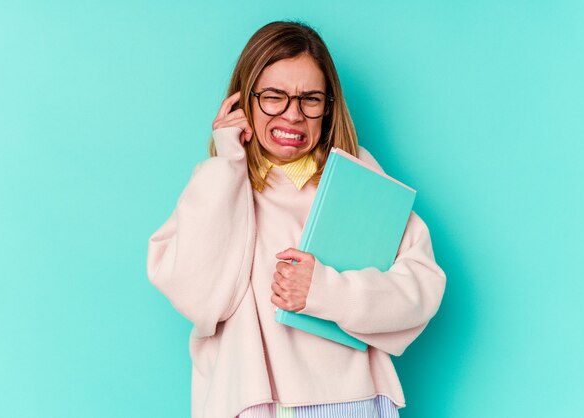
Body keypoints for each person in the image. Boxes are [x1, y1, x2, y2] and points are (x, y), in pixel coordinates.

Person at [147, 20, 446, 418]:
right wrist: (226, 161)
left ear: (328, 107)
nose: (292, 115)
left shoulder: (357, 176)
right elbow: (197, 297)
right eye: (274, 96)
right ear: (244, 100)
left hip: (353, 402)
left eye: (310, 99)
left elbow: (422, 287)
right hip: (253, 403)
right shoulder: (220, 185)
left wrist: (325, 291)